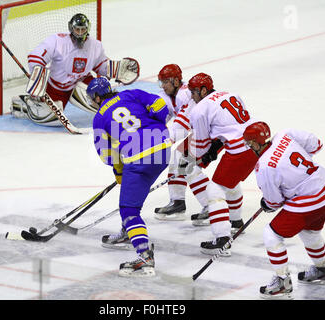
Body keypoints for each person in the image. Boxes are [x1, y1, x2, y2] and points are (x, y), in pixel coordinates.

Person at [87, 77, 171, 277]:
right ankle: (128, 232)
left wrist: (119, 172)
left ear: (97, 97)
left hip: (139, 158)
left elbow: (108, 155)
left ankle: (145, 256)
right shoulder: (131, 93)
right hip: (163, 148)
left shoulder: (99, 118)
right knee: (134, 198)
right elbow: (161, 106)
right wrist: (156, 127)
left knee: (129, 209)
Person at [242, 121, 325, 299]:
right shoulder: (285, 134)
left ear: (256, 143)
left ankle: (282, 282)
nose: (249, 147)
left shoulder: (264, 166)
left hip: (309, 200)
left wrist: (266, 203)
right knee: (309, 231)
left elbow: (274, 202)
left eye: (249, 143)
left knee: (271, 234)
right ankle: (321, 269)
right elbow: (316, 143)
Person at [11, 13, 139, 126]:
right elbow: (36, 56)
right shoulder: (57, 41)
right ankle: (24, 104)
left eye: (83, 29)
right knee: (53, 119)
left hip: (81, 82)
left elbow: (101, 65)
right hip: (56, 88)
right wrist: (37, 76)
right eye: (77, 29)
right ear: (71, 29)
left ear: (87, 29)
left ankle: (115, 110)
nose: (80, 33)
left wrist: (116, 70)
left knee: (101, 90)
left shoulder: (95, 45)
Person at [184, 73, 259, 256]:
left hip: (238, 152)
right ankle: (234, 222)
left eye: (194, 92)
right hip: (255, 146)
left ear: (203, 90)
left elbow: (201, 145)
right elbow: (235, 125)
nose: (192, 96)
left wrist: (201, 157)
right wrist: (217, 144)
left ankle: (222, 239)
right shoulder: (230, 94)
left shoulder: (200, 109)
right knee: (229, 183)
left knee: (215, 191)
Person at [153, 64, 211, 222]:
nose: (163, 86)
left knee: (186, 164)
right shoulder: (167, 96)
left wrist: (167, 140)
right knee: (176, 158)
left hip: (209, 132)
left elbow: (183, 123)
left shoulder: (187, 94)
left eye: (166, 82)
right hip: (199, 132)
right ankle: (177, 202)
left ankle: (211, 207)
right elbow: (163, 119)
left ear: (176, 81)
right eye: (161, 82)